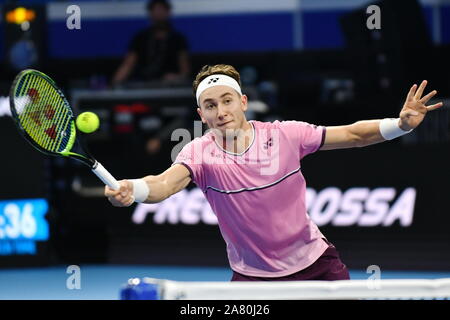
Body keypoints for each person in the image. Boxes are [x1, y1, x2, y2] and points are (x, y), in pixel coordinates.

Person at [105, 64, 443, 281]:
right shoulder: (199, 153)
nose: (221, 111)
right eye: (210, 105)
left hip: (316, 266)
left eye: (227, 101)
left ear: (243, 101)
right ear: (201, 113)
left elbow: (353, 135)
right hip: (252, 278)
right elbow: (163, 184)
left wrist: (399, 126)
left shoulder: (285, 134)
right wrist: (132, 189)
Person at [112, 0, 190, 87]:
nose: (158, 14)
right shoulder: (140, 38)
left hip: (169, 87)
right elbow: (128, 64)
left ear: (168, 13)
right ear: (150, 14)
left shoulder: (178, 39)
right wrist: (115, 84)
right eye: (155, 10)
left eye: (161, 10)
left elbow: (185, 71)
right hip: (144, 85)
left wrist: (177, 78)